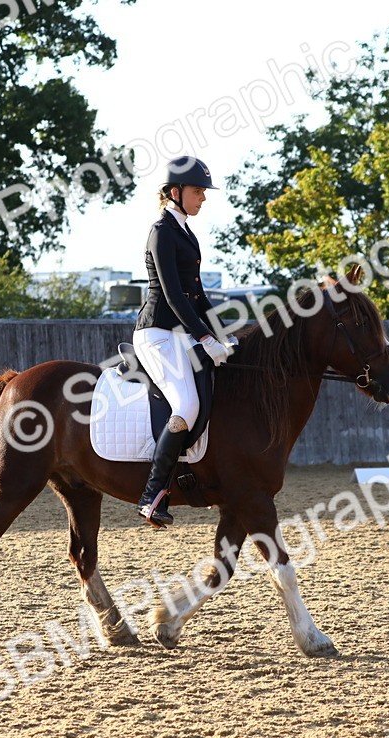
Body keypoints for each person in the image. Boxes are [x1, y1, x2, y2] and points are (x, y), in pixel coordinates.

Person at [133, 156, 237, 527]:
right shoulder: (161, 231)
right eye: (197, 191)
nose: (203, 198)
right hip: (156, 334)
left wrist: (225, 335)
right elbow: (175, 297)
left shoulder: (186, 232)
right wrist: (205, 337)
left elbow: (199, 297)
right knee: (188, 405)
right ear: (174, 192)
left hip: (179, 335)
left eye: (203, 192)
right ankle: (153, 494)